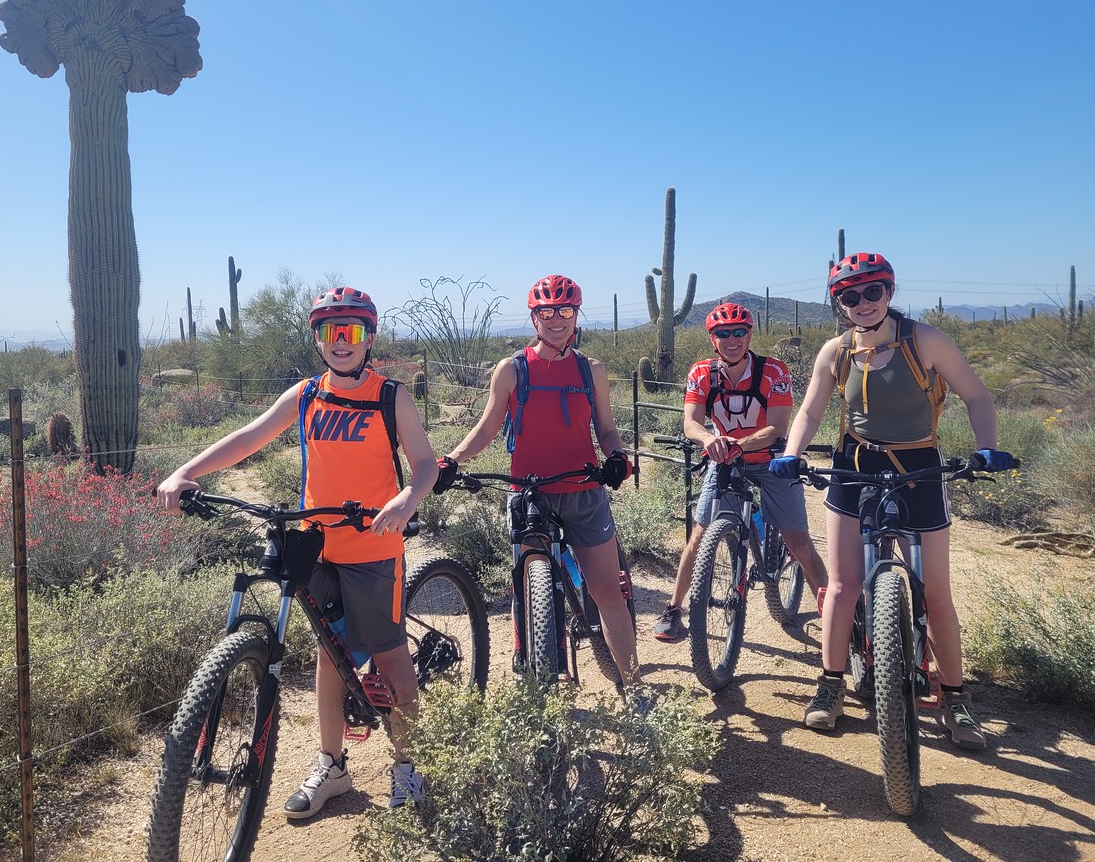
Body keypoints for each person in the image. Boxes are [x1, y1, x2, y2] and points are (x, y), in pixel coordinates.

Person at [156, 286, 437, 817]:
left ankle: (407, 767)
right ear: (317, 339)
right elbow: (250, 437)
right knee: (330, 657)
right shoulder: (306, 394)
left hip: (374, 545)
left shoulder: (389, 396)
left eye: (351, 332)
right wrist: (187, 472)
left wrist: (405, 500)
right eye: (330, 332)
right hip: (316, 545)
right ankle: (332, 765)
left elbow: (424, 464)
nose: (340, 342)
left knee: (392, 657)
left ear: (369, 337)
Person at [770, 252, 1015, 748]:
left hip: (919, 467)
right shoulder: (835, 351)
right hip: (855, 467)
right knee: (841, 587)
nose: (862, 304)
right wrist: (791, 454)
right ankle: (831, 685)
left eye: (872, 292)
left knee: (936, 593)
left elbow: (977, 395)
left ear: (889, 292)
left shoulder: (925, 340)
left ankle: (956, 699)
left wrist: (986, 446)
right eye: (849, 296)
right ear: (838, 302)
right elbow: (812, 409)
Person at [432, 274, 641, 690]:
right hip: (530, 495)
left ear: (576, 315)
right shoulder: (511, 370)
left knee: (607, 593)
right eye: (547, 312)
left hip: (583, 490)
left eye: (565, 310)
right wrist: (453, 458)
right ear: (534, 318)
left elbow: (606, 429)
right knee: (529, 587)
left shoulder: (591, 370)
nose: (557, 319)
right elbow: (488, 425)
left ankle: (634, 685)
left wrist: (617, 456)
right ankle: (533, 667)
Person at [653, 302, 828, 643]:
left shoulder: (773, 372)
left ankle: (840, 618)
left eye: (738, 332)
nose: (731, 339)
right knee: (701, 535)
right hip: (725, 459)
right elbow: (690, 422)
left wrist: (738, 444)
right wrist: (709, 438)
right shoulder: (702, 372)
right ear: (712, 339)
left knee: (799, 543)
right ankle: (673, 610)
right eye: (723, 333)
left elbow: (778, 428)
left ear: (749, 335)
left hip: (771, 460)